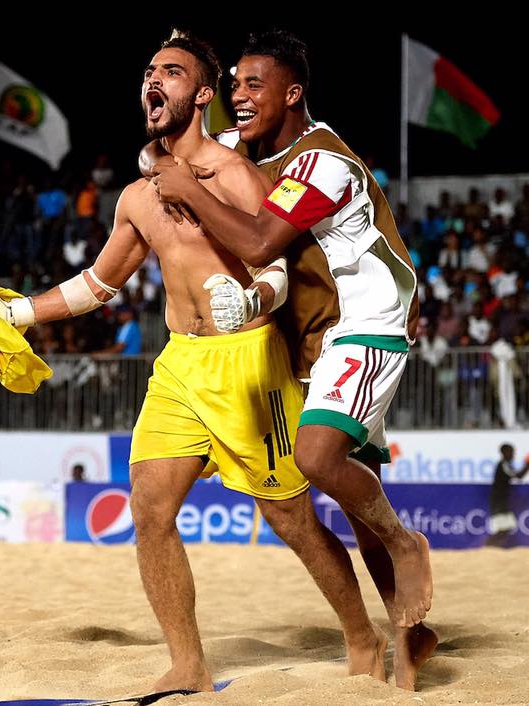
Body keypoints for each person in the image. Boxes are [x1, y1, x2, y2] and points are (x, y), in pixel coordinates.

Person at [0, 31, 386, 692]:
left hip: (249, 364)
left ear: (203, 95)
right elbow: (98, 284)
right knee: (150, 508)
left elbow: (275, 266)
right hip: (180, 364)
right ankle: (188, 663)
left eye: (172, 72)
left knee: (289, 519)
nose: (154, 80)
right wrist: (19, 314)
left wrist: (255, 298)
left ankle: (361, 637)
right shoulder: (136, 197)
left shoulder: (236, 174)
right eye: (149, 71)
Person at [146, 29, 435, 689]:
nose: (241, 96)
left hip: (365, 326)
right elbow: (166, 151)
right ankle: (410, 640)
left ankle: (406, 543)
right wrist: (167, 132)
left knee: (317, 459)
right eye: (235, 85)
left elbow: (258, 242)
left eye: (255, 85)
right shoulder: (245, 149)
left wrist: (188, 189)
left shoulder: (320, 161)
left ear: (293, 93)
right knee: (354, 502)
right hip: (316, 340)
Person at [488, 444, 528, 542]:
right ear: (504, 453)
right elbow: (518, 476)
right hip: (498, 502)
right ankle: (487, 547)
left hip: (501, 501)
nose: (513, 455)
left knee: (507, 528)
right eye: (511, 452)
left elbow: (518, 476)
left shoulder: (506, 465)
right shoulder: (503, 465)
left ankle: (490, 548)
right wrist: (527, 464)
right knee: (502, 529)